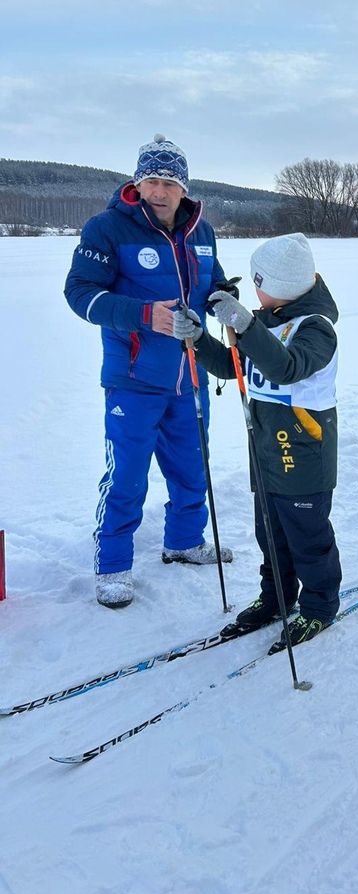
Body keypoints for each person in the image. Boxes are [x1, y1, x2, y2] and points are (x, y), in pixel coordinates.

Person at [64, 134, 231, 609]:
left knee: (192, 465)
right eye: (151, 180)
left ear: (184, 188)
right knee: (127, 478)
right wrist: (144, 315)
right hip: (133, 377)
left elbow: (212, 280)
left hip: (189, 373)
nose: (159, 191)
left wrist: (224, 298)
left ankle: (183, 541)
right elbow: (80, 293)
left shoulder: (203, 231)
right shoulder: (107, 229)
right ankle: (113, 566)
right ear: (138, 182)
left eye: (169, 182)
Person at [173, 233, 342, 648]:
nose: (255, 291)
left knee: (307, 537)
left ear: (281, 285)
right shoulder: (268, 318)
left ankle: (319, 605)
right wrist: (197, 339)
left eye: (259, 283)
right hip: (266, 449)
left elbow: (286, 367)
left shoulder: (315, 329)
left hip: (304, 451)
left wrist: (246, 324)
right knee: (270, 533)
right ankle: (277, 598)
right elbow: (234, 367)